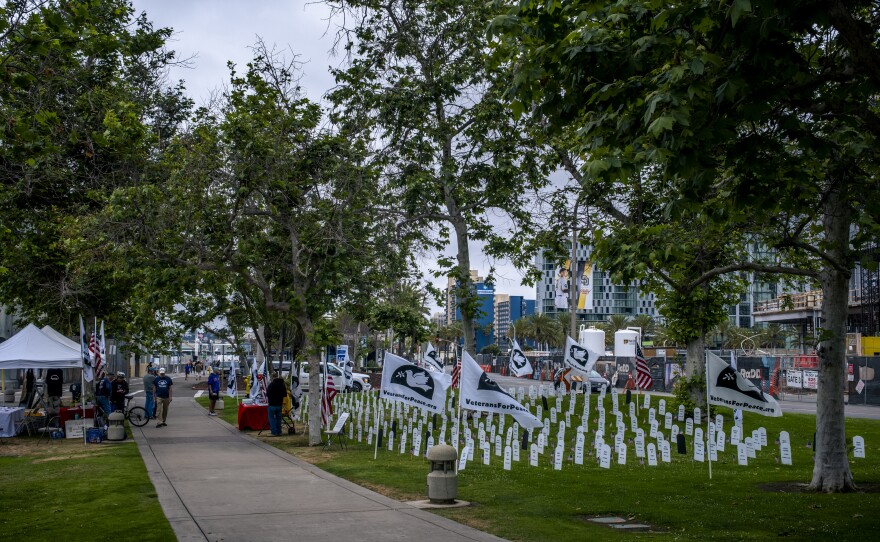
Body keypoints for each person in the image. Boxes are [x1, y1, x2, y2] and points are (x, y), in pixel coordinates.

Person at [266, 372, 287, 436]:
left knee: (272, 419)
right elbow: (285, 394)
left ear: (272, 377)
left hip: (272, 404)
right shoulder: (282, 384)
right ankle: (279, 431)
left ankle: (274, 432)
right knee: (279, 419)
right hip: (279, 404)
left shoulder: (271, 385)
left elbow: (268, 394)